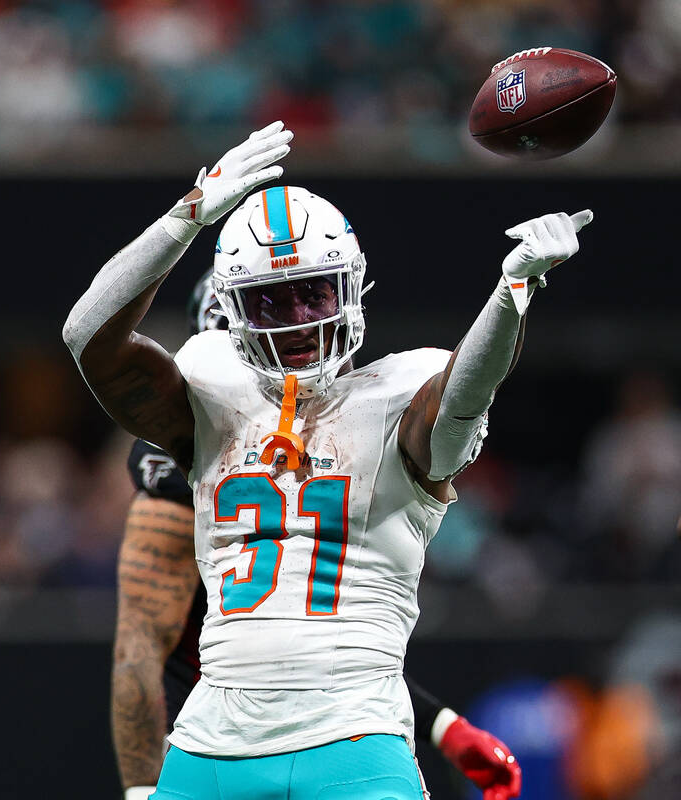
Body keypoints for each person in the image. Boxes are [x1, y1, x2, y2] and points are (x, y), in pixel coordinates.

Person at [65, 120, 589, 798]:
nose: (298, 318)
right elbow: (87, 339)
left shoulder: (400, 397)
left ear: (352, 287)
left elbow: (464, 395)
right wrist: (186, 216)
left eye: (314, 292)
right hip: (210, 742)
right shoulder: (211, 395)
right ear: (232, 312)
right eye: (272, 301)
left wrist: (512, 294)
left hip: (354, 736)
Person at [114, 273, 522, 800]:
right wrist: (142, 786)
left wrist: (443, 724)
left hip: (322, 732)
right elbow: (141, 645)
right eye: (266, 331)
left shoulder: (352, 429)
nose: (290, 354)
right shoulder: (189, 454)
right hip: (214, 736)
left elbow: (319, 642)